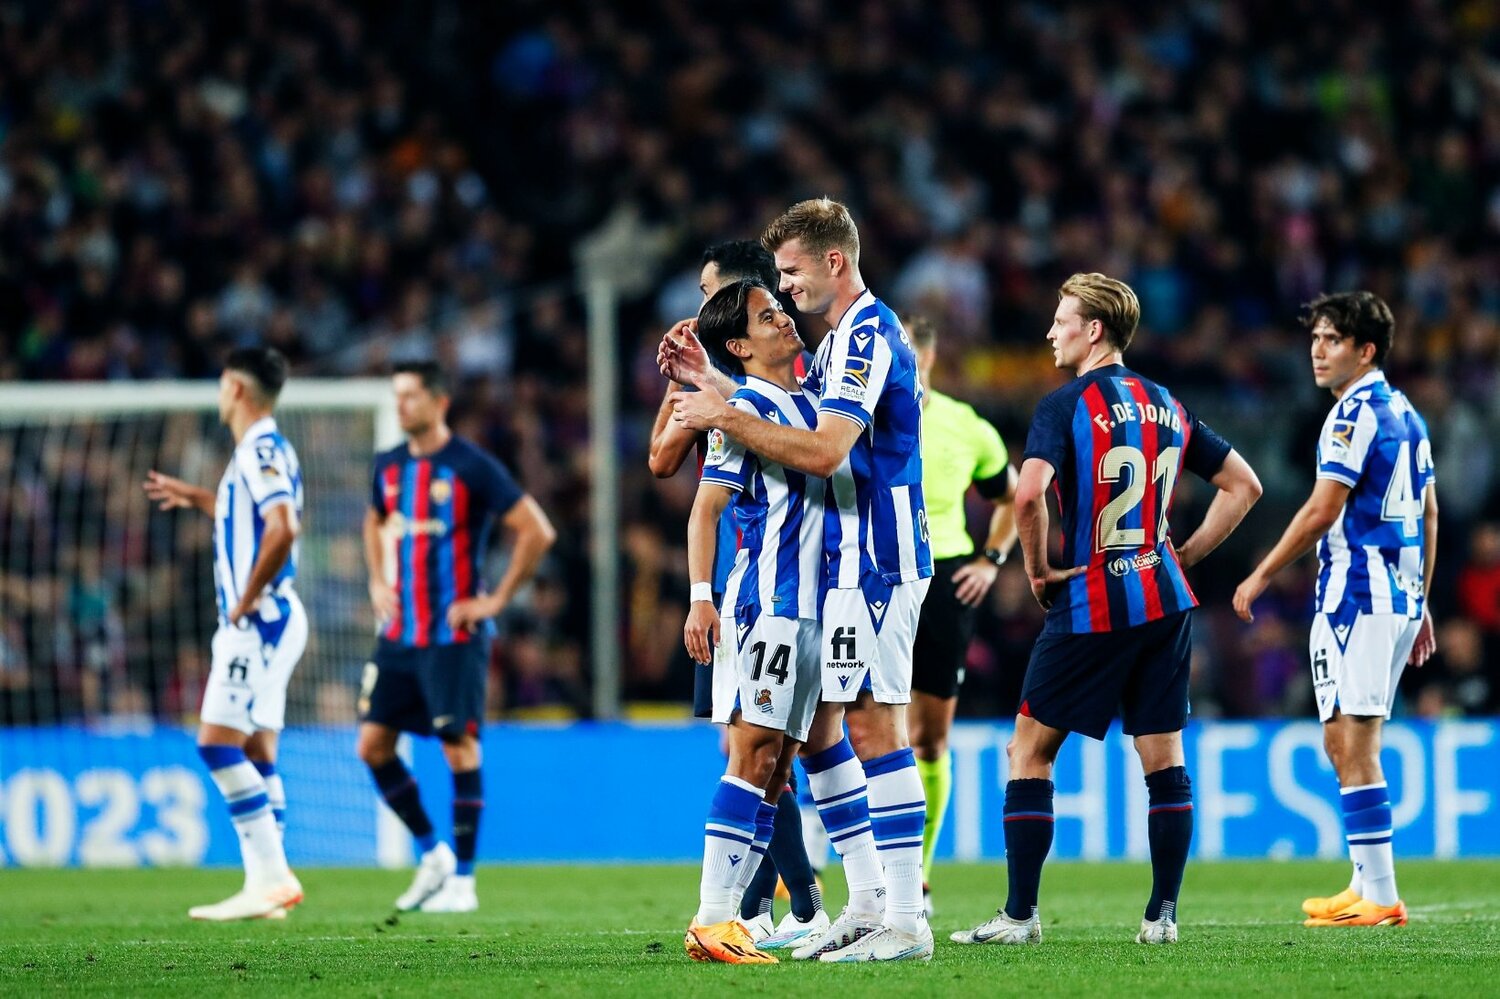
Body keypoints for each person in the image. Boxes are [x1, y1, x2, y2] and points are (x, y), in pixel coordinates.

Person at [952, 273, 1262, 948]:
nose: (1050, 332)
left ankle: (1019, 916)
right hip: (1165, 600)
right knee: (1164, 759)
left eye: (1061, 320)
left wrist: (1037, 570)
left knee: (1029, 750)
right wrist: (1182, 554)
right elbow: (1245, 485)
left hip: (1092, 599)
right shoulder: (1169, 404)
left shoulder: (1063, 405)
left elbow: (1027, 494)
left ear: (1093, 330)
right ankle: (1162, 916)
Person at [670, 198, 935, 962]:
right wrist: (714, 387)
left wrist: (721, 407)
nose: (784, 294)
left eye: (788, 276)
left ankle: (901, 917)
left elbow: (823, 450)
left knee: (862, 731)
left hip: (871, 565)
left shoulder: (861, 337)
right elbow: (706, 484)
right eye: (772, 296)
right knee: (815, 740)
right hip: (802, 590)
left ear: (834, 262)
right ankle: (863, 903)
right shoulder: (826, 355)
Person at [1233, 291, 1436, 928]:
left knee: (1357, 741)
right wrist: (1421, 597)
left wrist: (1262, 573)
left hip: (1362, 595)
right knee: (1339, 738)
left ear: (1365, 350)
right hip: (1385, 596)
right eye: (1315, 339)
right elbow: (1428, 513)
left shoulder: (1352, 415)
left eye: (1332, 340)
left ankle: (1383, 895)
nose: (1317, 351)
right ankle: (1364, 880)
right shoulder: (1407, 413)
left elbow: (1323, 509)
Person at [649, 241, 824, 941]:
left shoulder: (803, 392)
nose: (783, 315)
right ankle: (725, 915)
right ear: (741, 340)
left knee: (777, 762)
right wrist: (701, 595)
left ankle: (749, 911)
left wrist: (708, 381)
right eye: (768, 312)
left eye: (710, 292)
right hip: (763, 599)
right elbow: (691, 494)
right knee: (751, 752)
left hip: (810, 601)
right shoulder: (740, 405)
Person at [355, 361, 556, 913]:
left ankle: (464, 881)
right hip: (400, 634)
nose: (401, 405)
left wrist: (496, 600)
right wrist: (376, 579)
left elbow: (536, 530)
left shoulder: (471, 466)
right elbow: (374, 520)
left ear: (439, 402)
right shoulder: (388, 466)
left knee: (458, 746)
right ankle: (432, 855)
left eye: (411, 395)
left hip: (454, 635)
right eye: (397, 395)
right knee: (371, 746)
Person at [144, 347, 307, 920]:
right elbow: (250, 518)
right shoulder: (267, 450)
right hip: (277, 617)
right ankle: (270, 888)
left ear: (235, 388)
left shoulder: (258, 449)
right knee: (258, 750)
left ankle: (270, 878)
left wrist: (244, 598)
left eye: (220, 385)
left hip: (256, 621)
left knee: (216, 743)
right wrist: (198, 498)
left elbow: (283, 527)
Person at [905, 315, 1018, 915]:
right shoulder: (853, 417)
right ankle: (822, 864)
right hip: (872, 577)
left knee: (928, 738)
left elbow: (1013, 497)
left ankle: (917, 874)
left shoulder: (965, 426)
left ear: (926, 357)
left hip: (944, 581)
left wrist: (991, 560)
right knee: (852, 729)